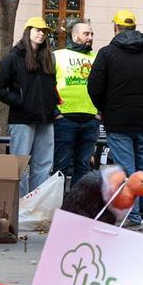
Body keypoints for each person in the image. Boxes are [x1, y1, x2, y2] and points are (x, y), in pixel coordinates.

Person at [87, 9, 143, 229]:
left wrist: (103, 107)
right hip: (142, 120)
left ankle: (133, 216)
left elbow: (94, 86)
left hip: (117, 121)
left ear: (116, 27)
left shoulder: (107, 53)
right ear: (134, 27)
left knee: (126, 168)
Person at [0, 16, 58, 196]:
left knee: (44, 164)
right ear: (27, 31)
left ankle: (36, 207)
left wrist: (53, 107)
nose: (41, 34)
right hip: (22, 119)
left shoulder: (48, 59)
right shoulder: (13, 58)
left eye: (44, 31)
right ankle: (20, 206)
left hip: (45, 119)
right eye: (37, 30)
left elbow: (52, 87)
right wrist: (20, 102)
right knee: (19, 165)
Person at [52, 19, 99, 188]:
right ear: (74, 35)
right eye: (86, 34)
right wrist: (55, 111)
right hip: (64, 119)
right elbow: (46, 84)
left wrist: (99, 112)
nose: (90, 37)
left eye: (92, 34)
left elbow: (105, 85)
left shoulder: (97, 58)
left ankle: (75, 208)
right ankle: (57, 206)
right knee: (60, 166)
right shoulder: (58, 55)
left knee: (83, 166)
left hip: (90, 119)